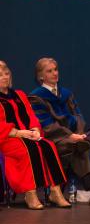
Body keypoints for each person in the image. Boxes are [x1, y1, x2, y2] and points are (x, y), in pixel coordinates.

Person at [29, 57, 90, 206]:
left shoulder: (66, 93)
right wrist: (70, 136)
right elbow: (47, 125)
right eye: (49, 71)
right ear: (41, 76)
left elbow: (78, 116)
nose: (55, 73)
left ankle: (83, 142)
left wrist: (79, 133)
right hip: (55, 139)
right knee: (81, 149)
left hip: (76, 136)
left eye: (56, 69)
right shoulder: (36, 97)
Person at [0, 60, 70, 210]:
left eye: (6, 74)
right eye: (0, 75)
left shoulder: (19, 95)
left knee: (48, 145)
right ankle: (30, 193)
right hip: (7, 139)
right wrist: (19, 133)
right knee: (28, 149)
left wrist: (35, 129)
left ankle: (55, 191)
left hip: (27, 135)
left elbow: (31, 115)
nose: (5, 77)